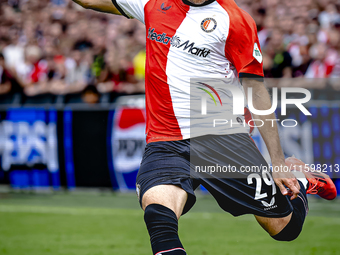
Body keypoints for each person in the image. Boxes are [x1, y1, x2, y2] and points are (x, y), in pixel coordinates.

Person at [72, 0, 337, 254]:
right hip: (166, 141)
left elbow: (256, 91)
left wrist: (277, 161)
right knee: (158, 212)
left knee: (283, 228)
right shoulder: (152, 2)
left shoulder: (234, 19)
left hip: (221, 139)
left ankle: (300, 176)